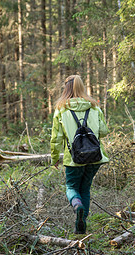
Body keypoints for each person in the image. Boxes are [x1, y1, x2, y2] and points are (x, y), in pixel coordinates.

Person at [50, 75, 109, 234]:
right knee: (85, 189)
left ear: (66, 88)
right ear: (82, 87)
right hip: (95, 157)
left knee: (71, 186)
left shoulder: (61, 109)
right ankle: (81, 224)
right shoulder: (94, 107)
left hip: (73, 158)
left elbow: (56, 138)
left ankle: (77, 206)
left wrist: (55, 158)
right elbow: (103, 131)